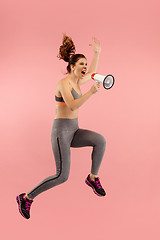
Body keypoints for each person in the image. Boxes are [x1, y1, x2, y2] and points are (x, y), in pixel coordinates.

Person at [16, 34, 106, 219]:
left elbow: (93, 74)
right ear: (72, 66)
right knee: (62, 176)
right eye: (81, 64)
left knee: (100, 140)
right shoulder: (63, 84)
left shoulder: (78, 81)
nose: (85, 67)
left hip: (74, 129)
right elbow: (73, 105)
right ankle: (26, 197)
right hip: (61, 132)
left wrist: (97, 53)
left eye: (85, 64)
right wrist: (91, 92)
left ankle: (92, 178)